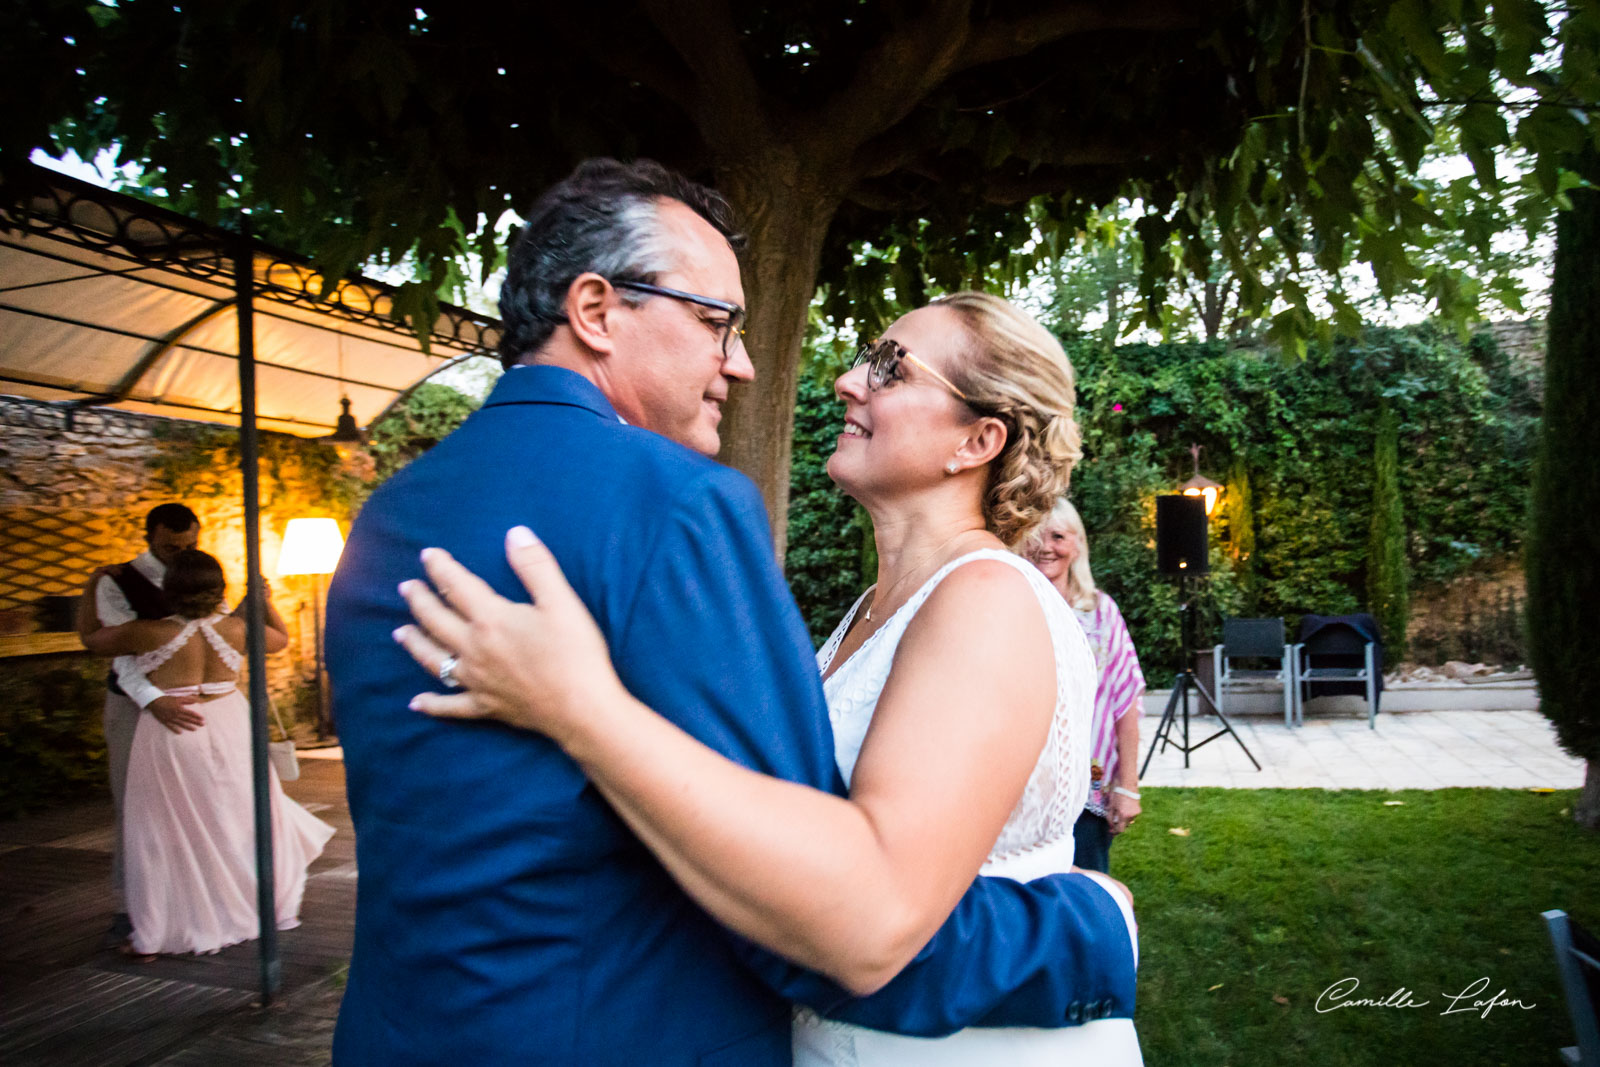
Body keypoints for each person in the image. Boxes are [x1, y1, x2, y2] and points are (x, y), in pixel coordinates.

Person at [324, 159, 1135, 1067]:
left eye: (889, 368)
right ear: (596, 311)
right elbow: (832, 908)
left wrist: (585, 708)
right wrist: (1086, 925)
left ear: (980, 441)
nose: (761, 366)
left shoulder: (391, 511)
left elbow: (850, 900)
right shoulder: (676, 507)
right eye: (717, 323)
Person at [82, 549, 334, 957]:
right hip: (230, 724)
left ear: (169, 588)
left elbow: (90, 636)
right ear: (220, 589)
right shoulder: (237, 630)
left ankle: (176, 922)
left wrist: (94, 583)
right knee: (234, 819)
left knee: (168, 828)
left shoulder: (149, 633)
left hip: (176, 728)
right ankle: (243, 905)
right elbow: (281, 640)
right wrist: (263, 600)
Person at [76, 503, 208, 942]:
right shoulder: (117, 582)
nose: (180, 552)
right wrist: (153, 701)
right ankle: (131, 906)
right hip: (134, 705)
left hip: (190, 706)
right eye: (172, 545)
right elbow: (123, 655)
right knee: (135, 805)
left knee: (190, 803)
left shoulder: (197, 573)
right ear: (150, 535)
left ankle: (188, 896)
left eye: (189, 544)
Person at [1024, 498, 1147, 873]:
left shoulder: (1099, 612)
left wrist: (1127, 786)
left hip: (1085, 793)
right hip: (1016, 791)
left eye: (1058, 536)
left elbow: (1124, 703)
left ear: (1077, 545)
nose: (1046, 547)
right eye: (1036, 537)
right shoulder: (1009, 605)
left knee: (1085, 899)